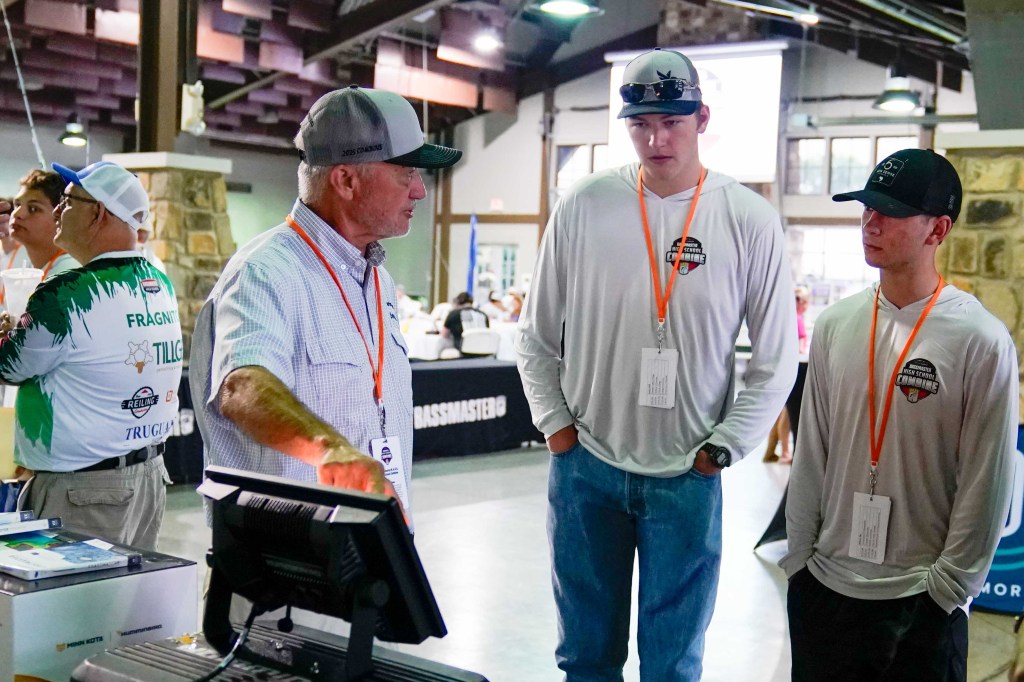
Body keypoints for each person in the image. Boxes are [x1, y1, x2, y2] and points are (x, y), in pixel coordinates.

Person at [515, 48, 797, 681]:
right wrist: (557, 429)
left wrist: (722, 449)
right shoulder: (585, 204)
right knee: (585, 658)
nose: (656, 139)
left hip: (688, 474)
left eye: (671, 122)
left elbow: (776, 359)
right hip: (586, 467)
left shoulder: (748, 218)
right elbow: (535, 336)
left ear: (702, 118)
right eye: (640, 124)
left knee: (672, 665)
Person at [781, 149, 1017, 682]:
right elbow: (812, 451)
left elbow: (986, 482)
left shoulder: (979, 340)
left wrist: (947, 592)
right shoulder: (836, 324)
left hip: (921, 601)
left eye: (890, 211)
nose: (870, 222)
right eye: (867, 207)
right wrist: (800, 564)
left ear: (938, 229)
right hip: (826, 591)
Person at [190, 86, 462, 526]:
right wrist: (330, 450)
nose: (419, 191)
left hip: (368, 540)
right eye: (406, 173)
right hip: (290, 554)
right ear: (346, 180)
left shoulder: (375, 278)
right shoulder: (265, 272)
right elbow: (242, 386)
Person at [0, 160, 180, 551]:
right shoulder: (158, 283)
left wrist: (7, 333)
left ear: (97, 213)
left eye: (67, 202)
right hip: (148, 477)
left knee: (69, 592)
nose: (59, 212)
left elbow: (8, 366)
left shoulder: (68, 292)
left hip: (82, 490)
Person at [763, 286, 811, 464]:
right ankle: (784, 451)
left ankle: (776, 451)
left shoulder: (787, 318)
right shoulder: (796, 319)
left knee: (784, 412)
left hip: (783, 370)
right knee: (788, 414)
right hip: (793, 370)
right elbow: (799, 347)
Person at [8, 170, 80, 279]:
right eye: (17, 205)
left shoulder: (68, 275)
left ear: (61, 217)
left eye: (33, 209)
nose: (17, 214)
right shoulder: (34, 267)